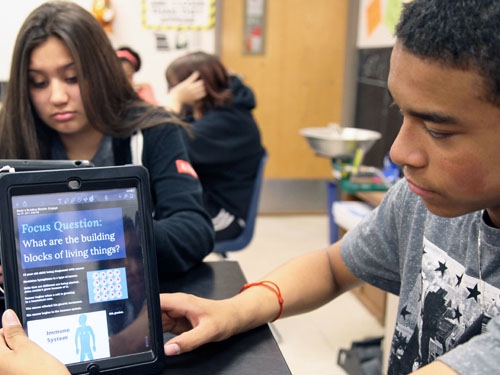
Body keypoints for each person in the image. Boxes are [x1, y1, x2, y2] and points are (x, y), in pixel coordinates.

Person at [3, 0, 500, 374]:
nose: (396, 153)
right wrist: (234, 310)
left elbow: (191, 226)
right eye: (400, 113)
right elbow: (331, 266)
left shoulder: (157, 130)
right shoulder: (418, 203)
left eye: (437, 130)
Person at [0, 1, 214, 282]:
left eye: (72, 78)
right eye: (39, 82)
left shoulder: (153, 131)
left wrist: (105, 233)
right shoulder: (10, 136)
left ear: (101, 72)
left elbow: (193, 231)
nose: (57, 97)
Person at [165, 52, 266, 241]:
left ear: (196, 86)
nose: (171, 91)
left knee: (152, 234)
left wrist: (174, 101)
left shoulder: (229, 122)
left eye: (174, 86)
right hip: (205, 203)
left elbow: (166, 146)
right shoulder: (207, 114)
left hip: (224, 216)